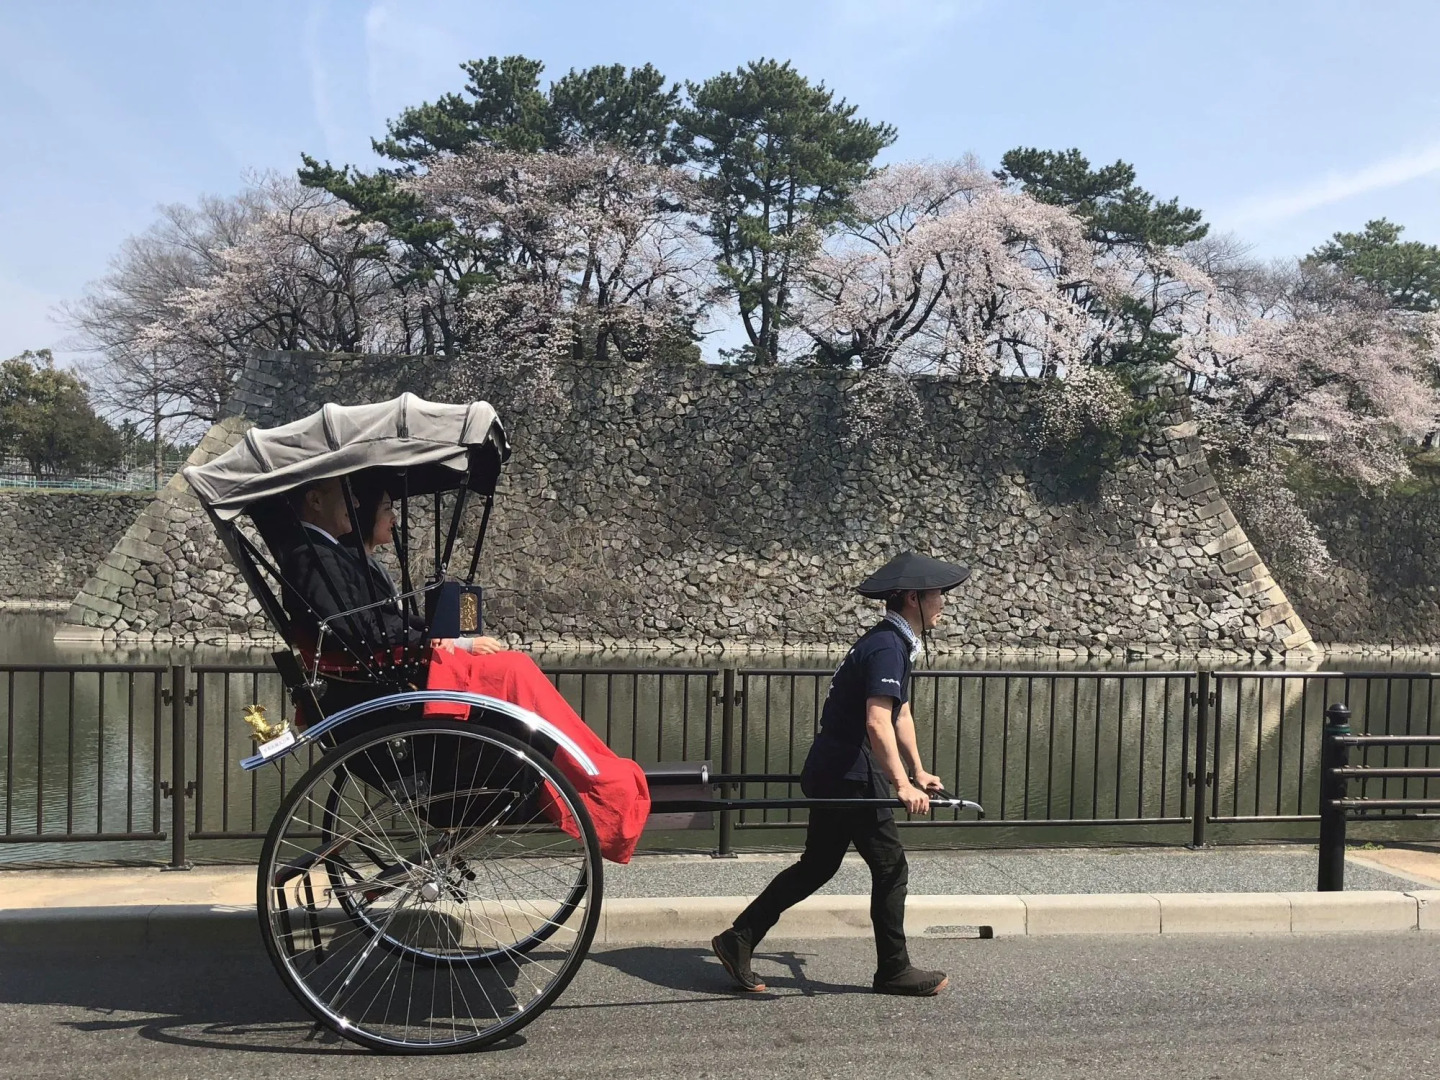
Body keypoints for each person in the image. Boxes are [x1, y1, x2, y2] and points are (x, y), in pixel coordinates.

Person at [280, 474, 651, 863]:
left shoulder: (328, 554)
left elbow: (376, 625)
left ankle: (584, 764)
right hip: (381, 680)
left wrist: (444, 639)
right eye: (347, 495)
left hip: (389, 670)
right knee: (512, 670)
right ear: (315, 500)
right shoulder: (311, 556)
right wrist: (441, 642)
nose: (354, 504)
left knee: (508, 666)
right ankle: (593, 775)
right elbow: (358, 632)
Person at [711, 551, 970, 997]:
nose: (942, 603)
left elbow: (900, 714)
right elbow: (875, 721)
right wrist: (901, 785)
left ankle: (739, 938)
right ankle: (893, 970)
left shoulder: (890, 641)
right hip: (850, 771)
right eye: (936, 595)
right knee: (891, 867)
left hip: (832, 765)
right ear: (913, 598)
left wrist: (918, 770)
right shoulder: (889, 646)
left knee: (818, 865)